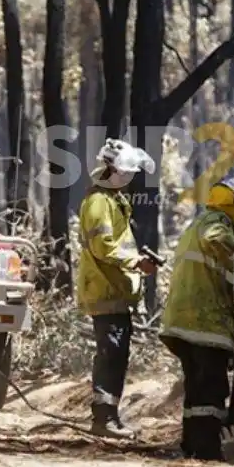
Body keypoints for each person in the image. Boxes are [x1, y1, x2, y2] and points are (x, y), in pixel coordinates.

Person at [159, 176, 234, 461]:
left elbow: (212, 285)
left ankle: (192, 445)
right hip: (203, 323)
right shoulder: (214, 223)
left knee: (196, 388)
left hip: (185, 323)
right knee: (213, 388)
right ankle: (207, 450)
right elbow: (215, 238)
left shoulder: (197, 224)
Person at [75, 138, 159, 438]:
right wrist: (136, 262)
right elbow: (102, 247)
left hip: (116, 292)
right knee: (111, 353)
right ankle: (103, 420)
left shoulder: (114, 199)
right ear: (111, 169)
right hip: (104, 290)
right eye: (127, 173)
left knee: (117, 353)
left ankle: (110, 417)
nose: (130, 178)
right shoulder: (99, 202)